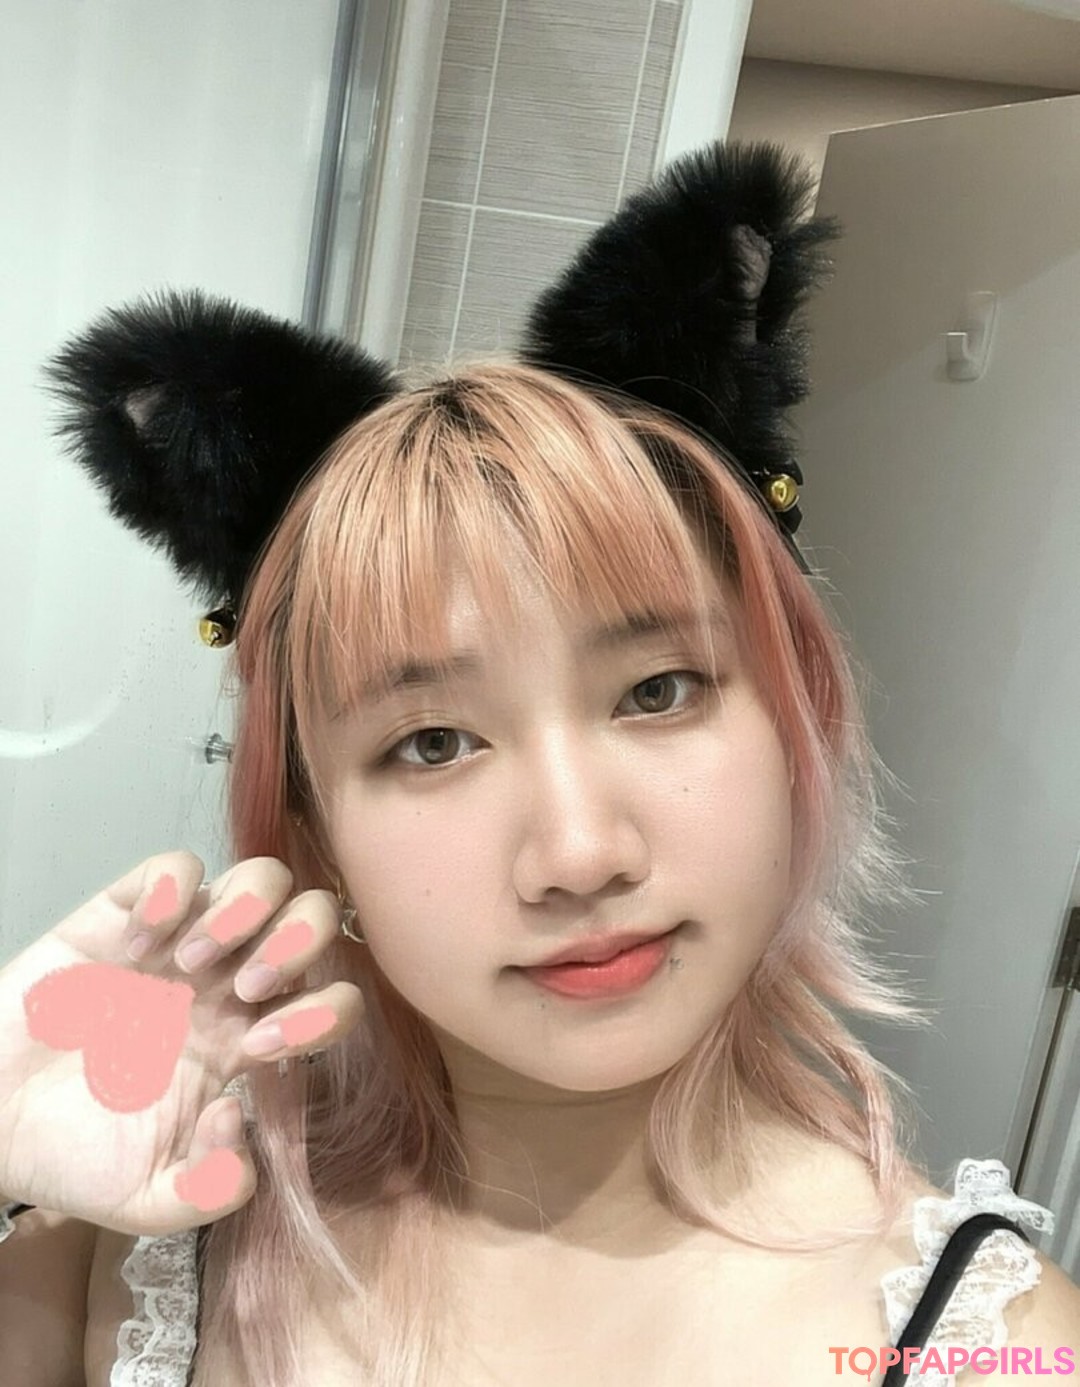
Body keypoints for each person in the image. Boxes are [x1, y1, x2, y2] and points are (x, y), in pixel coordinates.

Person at [1, 142, 1077, 1387]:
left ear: (796, 720)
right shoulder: (126, 1255)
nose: (578, 854)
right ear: (316, 826)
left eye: (658, 691)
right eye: (432, 742)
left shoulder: (989, 1350)